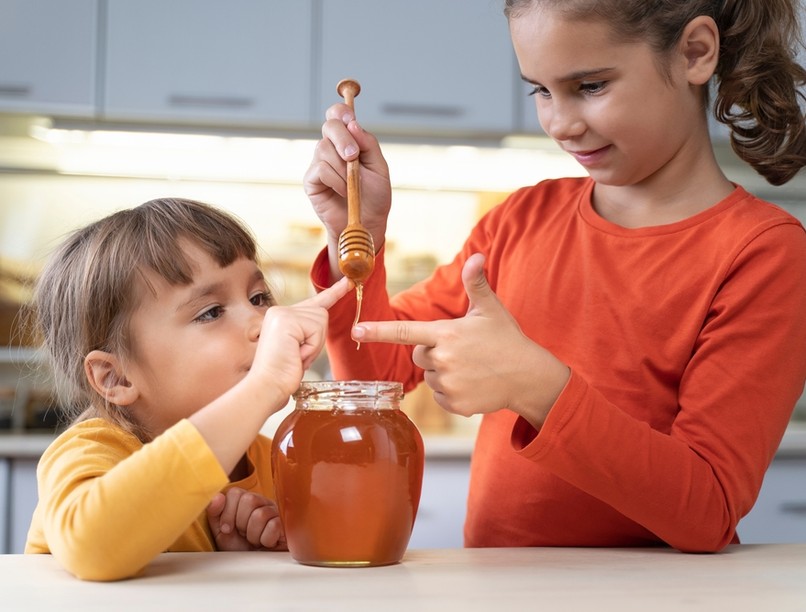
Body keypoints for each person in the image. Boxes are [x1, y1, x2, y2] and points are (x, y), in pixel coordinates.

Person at [303, 0, 806, 553]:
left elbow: (707, 509)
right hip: (500, 588)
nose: (560, 124)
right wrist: (359, 233)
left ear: (695, 53)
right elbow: (380, 376)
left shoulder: (764, 253)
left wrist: (537, 388)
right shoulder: (521, 219)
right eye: (540, 90)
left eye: (590, 85)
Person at [24, 198, 351, 580]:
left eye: (259, 298)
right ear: (116, 378)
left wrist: (253, 556)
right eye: (211, 312)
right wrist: (264, 387)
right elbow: (92, 548)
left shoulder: (275, 457)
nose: (263, 321)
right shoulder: (92, 451)